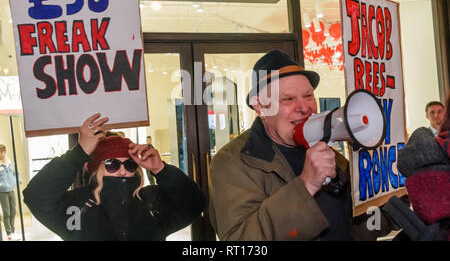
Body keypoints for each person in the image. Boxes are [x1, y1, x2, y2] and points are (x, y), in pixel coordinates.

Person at [208, 49, 397, 241]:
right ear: (261, 108)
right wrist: (306, 185)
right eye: (288, 99)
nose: (304, 107)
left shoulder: (331, 156)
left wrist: (402, 194)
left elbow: (360, 225)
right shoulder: (232, 163)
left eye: (308, 96)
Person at [23, 113, 205, 241]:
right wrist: (78, 154)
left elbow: (194, 204)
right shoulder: (78, 204)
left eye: (130, 164)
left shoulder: (150, 200)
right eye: (112, 164)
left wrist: (161, 169)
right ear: (96, 169)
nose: (122, 170)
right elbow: (36, 197)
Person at [397, 93, 450, 240]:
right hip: (432, 210)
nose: (436, 115)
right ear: (427, 115)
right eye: (432, 112)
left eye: (439, 111)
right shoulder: (421, 139)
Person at [0, 144, 20, 241]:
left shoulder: (10, 162)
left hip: (11, 190)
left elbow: (16, 173)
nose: (1, 154)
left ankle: (12, 231)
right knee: (6, 213)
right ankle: (9, 234)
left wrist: (18, 180)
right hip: (2, 192)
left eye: (2, 152)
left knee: (13, 211)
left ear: (5, 151)